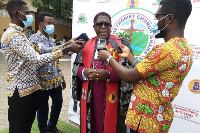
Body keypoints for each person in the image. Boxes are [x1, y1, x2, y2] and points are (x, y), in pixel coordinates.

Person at [98, 0, 193, 132]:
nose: (155, 22)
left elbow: (130, 76)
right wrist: (130, 57)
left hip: (145, 121)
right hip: (159, 120)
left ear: (169, 18)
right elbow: (147, 72)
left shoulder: (165, 50)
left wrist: (108, 57)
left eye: (158, 17)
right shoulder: (185, 49)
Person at [1, 0, 83, 132]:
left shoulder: (22, 33)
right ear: (17, 13)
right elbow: (36, 59)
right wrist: (66, 50)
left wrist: (66, 46)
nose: (30, 16)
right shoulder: (13, 35)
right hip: (20, 92)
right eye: (27, 13)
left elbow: (48, 52)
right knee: (18, 128)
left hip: (31, 89)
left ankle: (51, 126)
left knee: (26, 126)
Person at [72, 12, 133, 133]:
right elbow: (76, 67)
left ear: (111, 26)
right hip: (91, 96)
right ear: (94, 27)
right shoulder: (87, 44)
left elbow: (130, 71)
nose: (103, 27)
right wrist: (84, 72)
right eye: (99, 24)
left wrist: (108, 74)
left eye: (107, 24)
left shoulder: (120, 44)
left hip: (114, 98)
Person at [29, 12, 65, 133]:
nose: (52, 25)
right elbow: (44, 51)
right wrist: (66, 47)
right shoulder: (34, 39)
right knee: (43, 108)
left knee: (58, 104)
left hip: (55, 80)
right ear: (41, 24)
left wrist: (62, 77)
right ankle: (43, 130)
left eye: (52, 23)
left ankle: (52, 126)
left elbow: (56, 60)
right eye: (49, 23)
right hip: (41, 82)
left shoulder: (52, 40)